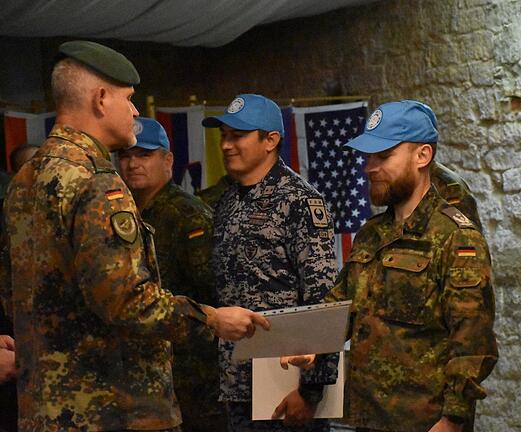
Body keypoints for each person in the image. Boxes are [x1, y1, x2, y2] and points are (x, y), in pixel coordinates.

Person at [0, 40, 268, 431]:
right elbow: (125, 300)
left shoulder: (25, 178)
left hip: (46, 409)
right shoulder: (96, 181)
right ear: (101, 99)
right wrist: (210, 319)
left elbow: (11, 288)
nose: (135, 111)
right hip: (114, 409)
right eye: (129, 99)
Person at [325, 100, 497, 432]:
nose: (370, 167)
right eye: (369, 157)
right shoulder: (371, 235)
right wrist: (306, 345)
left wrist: (454, 417)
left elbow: (472, 340)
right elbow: (339, 306)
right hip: (366, 417)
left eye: (384, 156)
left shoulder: (455, 237)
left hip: (423, 421)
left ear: (422, 156)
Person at [203, 94, 339, 432]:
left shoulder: (300, 201)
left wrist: (311, 390)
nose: (227, 145)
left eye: (238, 136)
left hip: (284, 385)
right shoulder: (227, 202)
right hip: (238, 383)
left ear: (270, 140)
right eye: (224, 136)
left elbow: (322, 299)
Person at [117, 117, 224, 431]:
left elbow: (215, 291)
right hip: (147, 377)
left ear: (167, 160)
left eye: (144, 155)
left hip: (195, 376)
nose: (133, 164)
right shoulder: (123, 215)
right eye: (126, 155)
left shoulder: (188, 215)